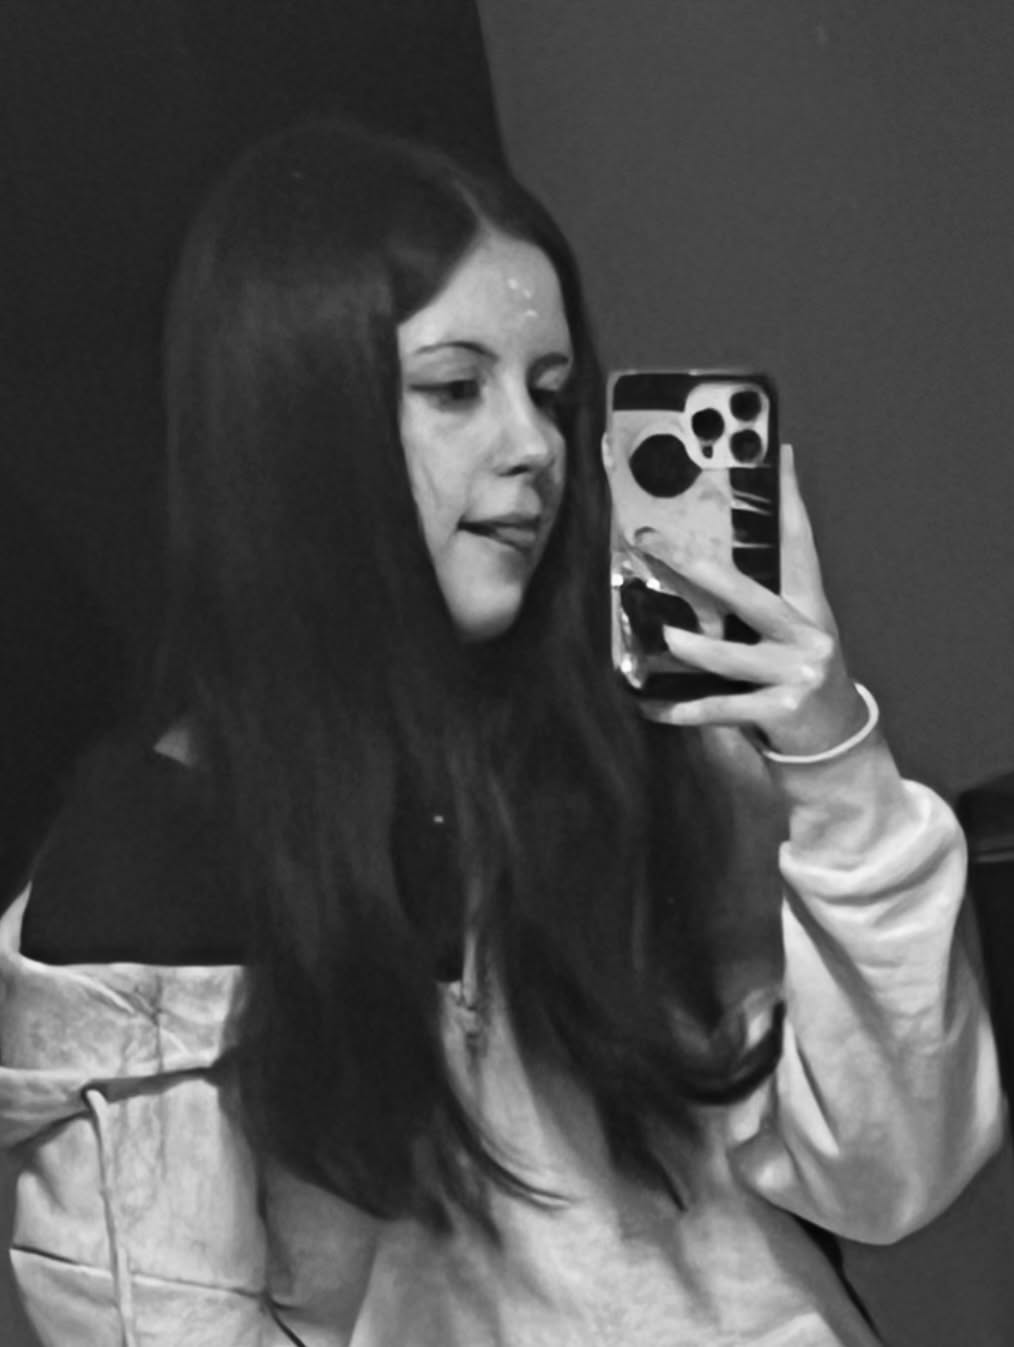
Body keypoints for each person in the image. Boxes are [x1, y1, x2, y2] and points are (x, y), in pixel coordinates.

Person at [0, 118, 1002, 1347]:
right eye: (455, 389)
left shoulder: (647, 762)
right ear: (298, 420)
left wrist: (833, 761)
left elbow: (894, 1179)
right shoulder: (156, 867)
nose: (534, 448)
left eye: (553, 393)